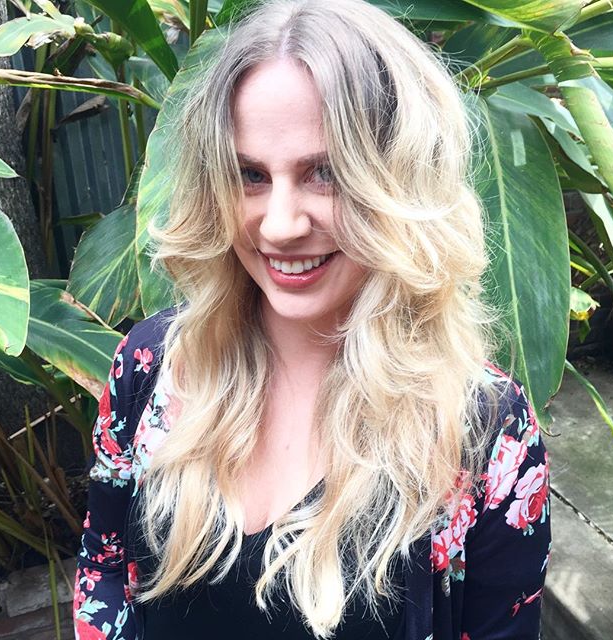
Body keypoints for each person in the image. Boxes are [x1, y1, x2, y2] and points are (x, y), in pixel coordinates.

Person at [73, 0, 551, 638]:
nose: (279, 225)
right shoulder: (151, 365)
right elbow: (103, 569)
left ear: (401, 181)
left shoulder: (485, 430)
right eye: (250, 174)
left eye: (324, 173)